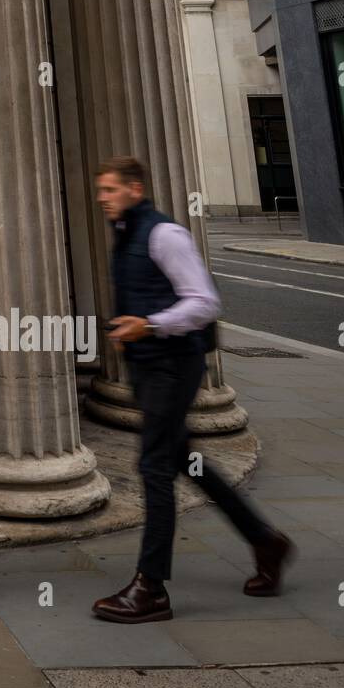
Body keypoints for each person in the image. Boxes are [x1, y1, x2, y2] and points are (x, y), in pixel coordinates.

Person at [91, 157, 293, 623]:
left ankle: (150, 588)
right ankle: (266, 540)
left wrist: (151, 324)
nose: (102, 197)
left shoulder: (165, 235)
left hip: (173, 366)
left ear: (135, 188)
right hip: (148, 366)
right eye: (101, 190)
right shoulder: (126, 232)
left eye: (110, 189)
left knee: (155, 466)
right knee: (184, 458)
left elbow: (204, 302)